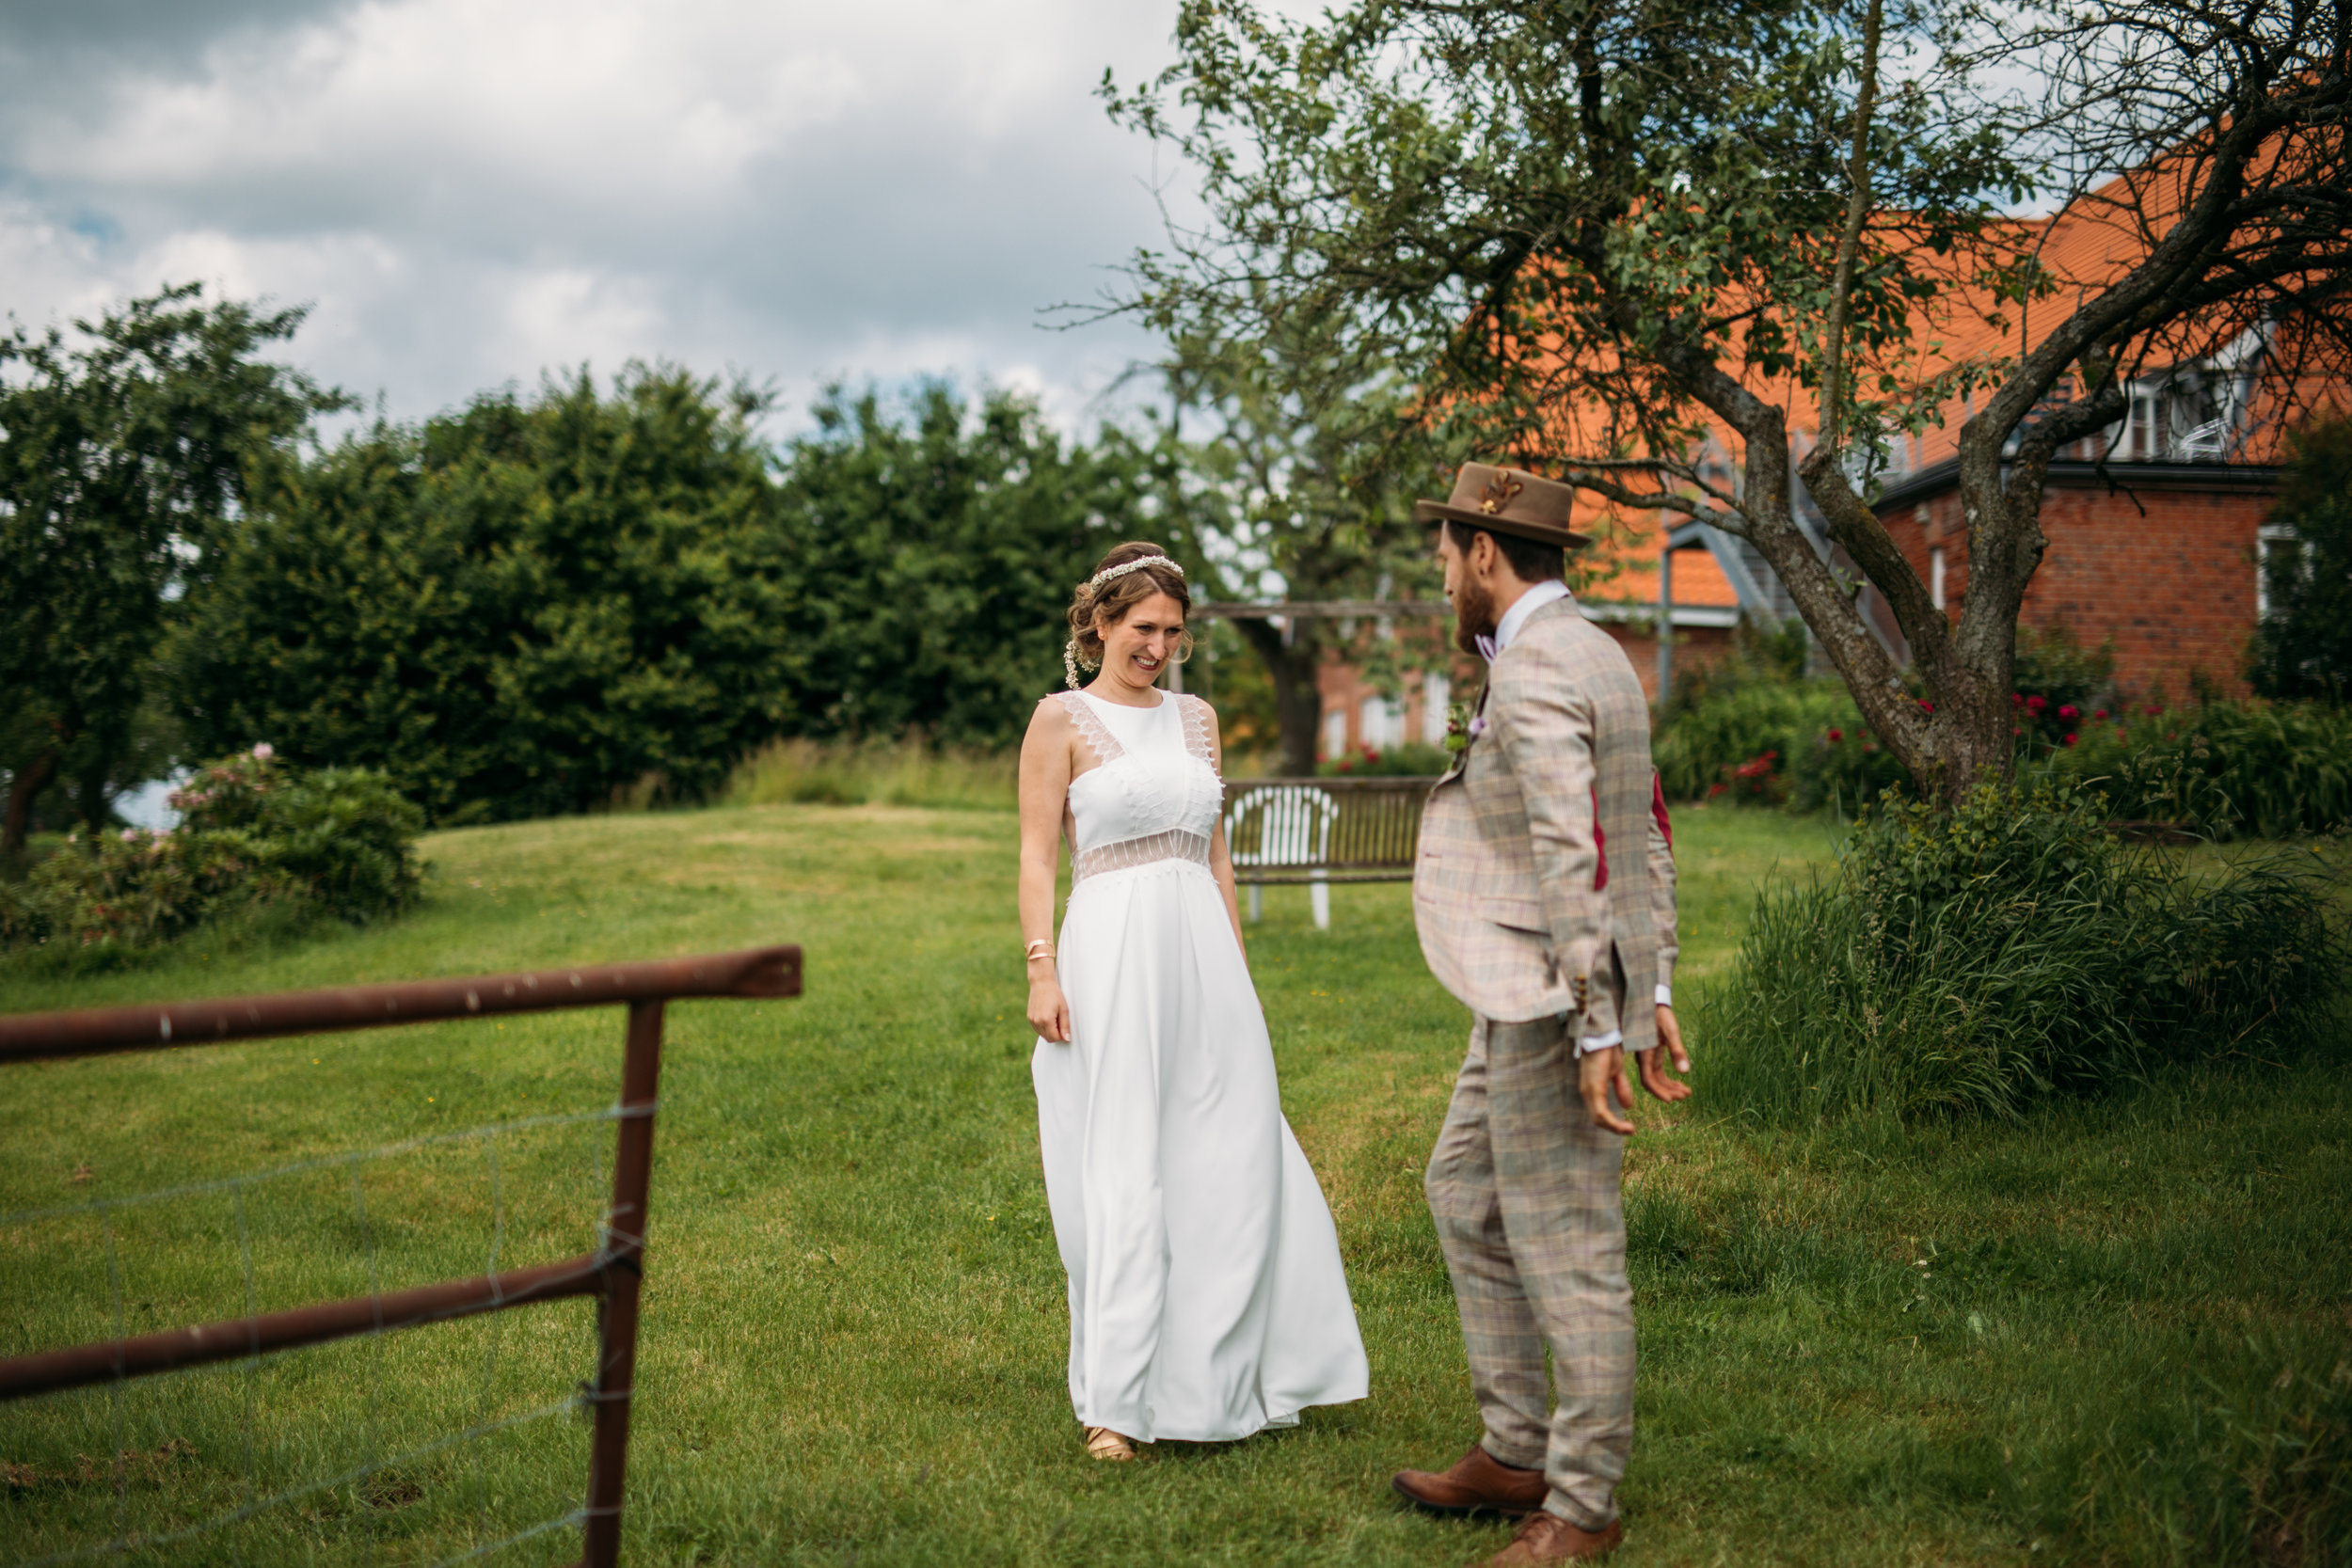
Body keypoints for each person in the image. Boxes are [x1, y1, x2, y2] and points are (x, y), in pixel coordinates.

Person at [1391, 465, 1692, 1564]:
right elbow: (1645, 825)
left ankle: (1579, 1502)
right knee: (1463, 1189)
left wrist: (1601, 1021)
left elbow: (1581, 844)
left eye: (1445, 550)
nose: (1440, 569)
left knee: (1568, 1243)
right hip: (1531, 984)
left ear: (1482, 551)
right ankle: (1514, 1446)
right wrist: (1648, 984)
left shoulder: (1533, 673)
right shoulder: (1599, 652)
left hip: (1552, 995)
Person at [1018, 541, 1369, 1462]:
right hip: (1111, 950)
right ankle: (1117, 1401)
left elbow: (1217, 858)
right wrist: (1041, 968)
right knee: (1125, 1160)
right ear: (1100, 622)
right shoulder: (1060, 719)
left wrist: (1239, 979)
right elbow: (1035, 857)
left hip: (1203, 953)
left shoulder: (1198, 719)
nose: (1158, 646)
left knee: (1231, 1150)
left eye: (1173, 631)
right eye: (1142, 628)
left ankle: (1227, 1381)